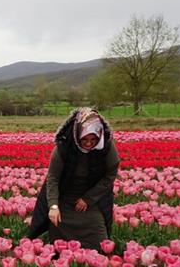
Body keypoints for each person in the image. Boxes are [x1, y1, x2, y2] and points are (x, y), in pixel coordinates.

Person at [27, 108, 120, 252]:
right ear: (77, 134)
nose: (89, 143)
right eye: (84, 139)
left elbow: (110, 175)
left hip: (91, 200)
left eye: (93, 139)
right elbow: (53, 178)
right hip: (64, 197)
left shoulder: (105, 147)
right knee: (57, 232)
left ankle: (92, 257)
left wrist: (88, 199)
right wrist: (53, 206)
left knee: (98, 238)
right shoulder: (64, 147)